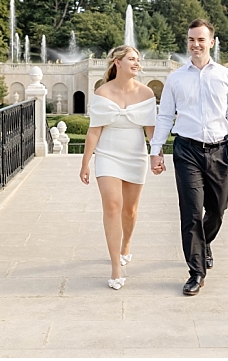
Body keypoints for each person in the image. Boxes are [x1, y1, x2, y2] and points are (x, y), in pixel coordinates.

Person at [149, 19, 228, 295]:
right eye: (191, 39)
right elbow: (165, 116)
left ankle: (204, 243)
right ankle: (196, 272)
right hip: (187, 150)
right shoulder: (176, 78)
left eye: (201, 39)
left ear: (211, 42)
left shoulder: (226, 76)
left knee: (218, 209)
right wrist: (156, 151)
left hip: (219, 151)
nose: (195, 44)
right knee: (191, 213)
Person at [80, 45, 159, 290]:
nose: (137, 63)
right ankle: (115, 266)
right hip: (107, 154)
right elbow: (94, 130)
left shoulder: (146, 94)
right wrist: (85, 163)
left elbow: (150, 131)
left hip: (135, 155)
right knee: (113, 205)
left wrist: (157, 155)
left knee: (131, 209)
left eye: (138, 60)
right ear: (117, 62)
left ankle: (126, 245)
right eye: (132, 59)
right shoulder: (102, 92)